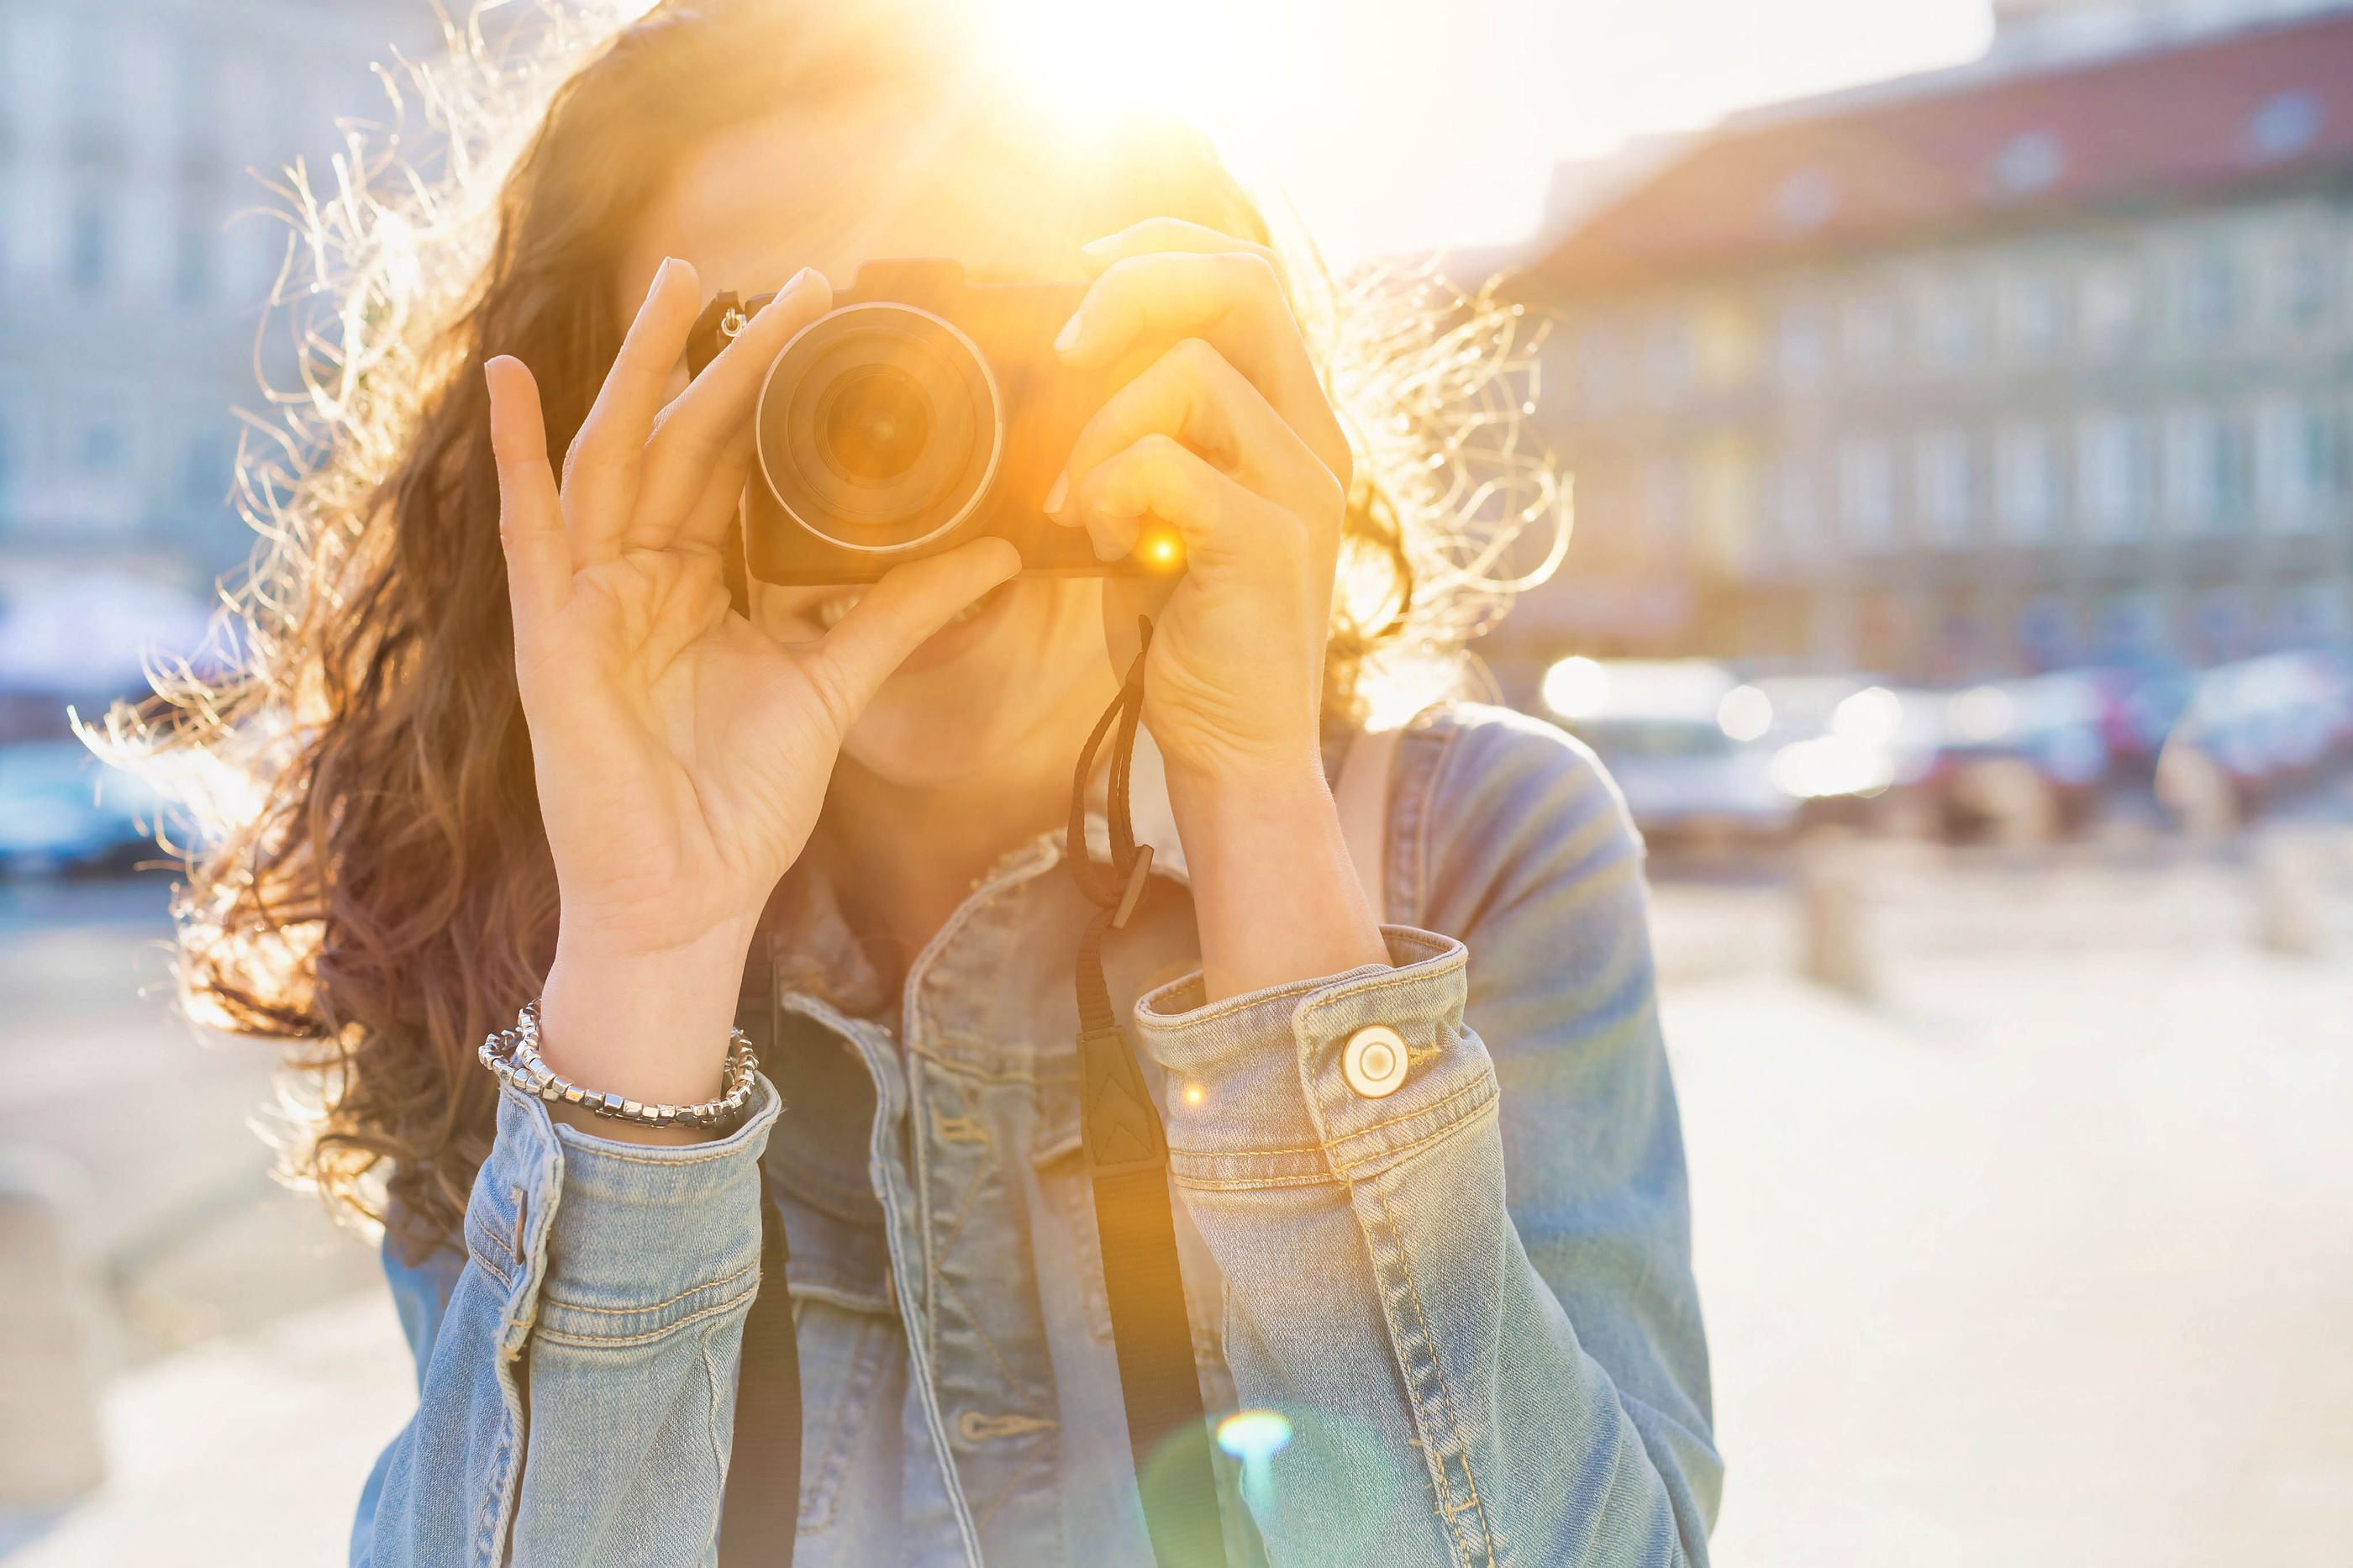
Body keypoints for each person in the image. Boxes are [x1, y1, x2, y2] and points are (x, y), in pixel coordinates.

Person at [122, 2, 1719, 1561]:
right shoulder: (494, 912)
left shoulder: (1467, 856)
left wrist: (1256, 815)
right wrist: (644, 961)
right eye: (769, 372)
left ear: (1188, 360)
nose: (895, 455)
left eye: (985, 349)